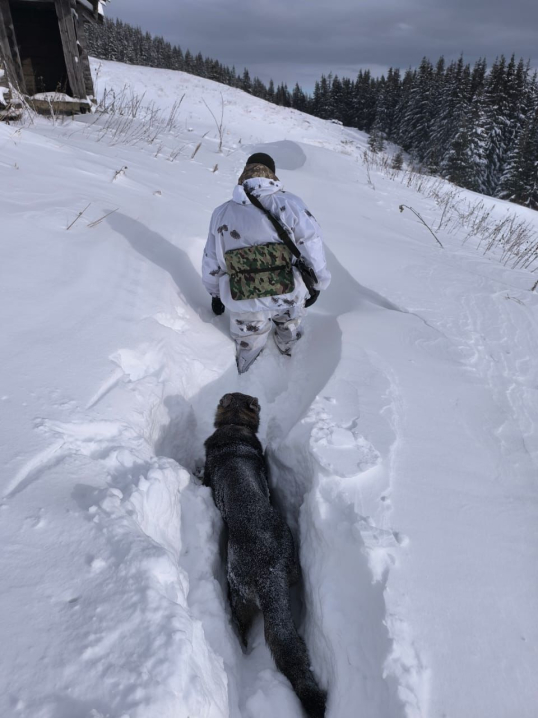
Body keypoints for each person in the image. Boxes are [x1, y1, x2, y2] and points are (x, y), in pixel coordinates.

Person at [202, 153, 331, 373]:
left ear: (244, 174)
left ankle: (246, 370)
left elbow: (212, 257)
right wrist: (318, 283)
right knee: (289, 327)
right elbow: (311, 245)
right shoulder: (291, 204)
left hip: (243, 295)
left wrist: (215, 293)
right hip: (288, 291)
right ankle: (289, 355)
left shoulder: (222, 212)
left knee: (248, 339)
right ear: (272, 174)